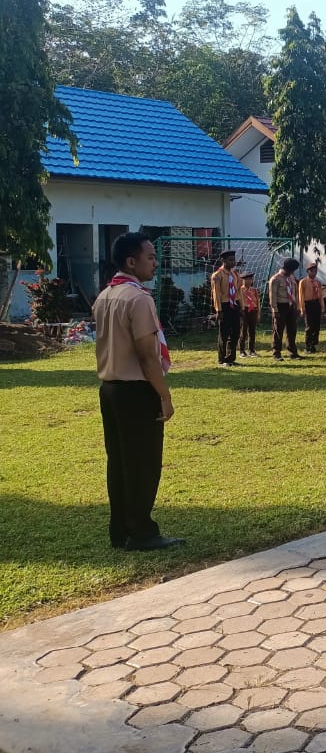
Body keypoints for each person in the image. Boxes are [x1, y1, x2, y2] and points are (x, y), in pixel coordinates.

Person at [93, 232, 183, 551]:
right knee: (143, 463)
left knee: (119, 463)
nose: (155, 264)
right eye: (150, 257)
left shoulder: (105, 296)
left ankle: (121, 530)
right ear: (131, 262)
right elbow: (147, 355)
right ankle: (142, 531)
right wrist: (165, 395)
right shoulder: (138, 298)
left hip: (110, 389)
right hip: (135, 391)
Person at [209, 249, 242, 367]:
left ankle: (231, 358)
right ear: (223, 260)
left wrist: (241, 306)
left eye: (234, 259)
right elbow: (216, 294)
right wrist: (219, 310)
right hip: (224, 305)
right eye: (230, 260)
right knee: (224, 332)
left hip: (235, 304)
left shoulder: (235, 274)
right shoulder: (217, 276)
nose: (233, 262)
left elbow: (238, 291)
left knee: (236, 332)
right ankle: (222, 359)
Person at [269, 258, 302, 360]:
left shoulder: (291, 278)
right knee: (278, 330)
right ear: (286, 269)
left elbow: (295, 292)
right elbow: (272, 296)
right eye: (291, 270)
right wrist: (275, 310)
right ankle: (276, 353)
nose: (292, 272)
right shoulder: (275, 279)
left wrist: (296, 306)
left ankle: (293, 352)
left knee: (292, 330)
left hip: (291, 306)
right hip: (280, 306)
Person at [299, 262, 325, 354]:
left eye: (315, 271)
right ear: (308, 271)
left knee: (316, 326)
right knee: (309, 326)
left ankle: (313, 345)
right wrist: (302, 309)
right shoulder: (303, 282)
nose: (314, 273)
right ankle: (307, 345)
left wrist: (322, 307)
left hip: (316, 304)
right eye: (312, 271)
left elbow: (321, 295)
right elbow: (301, 296)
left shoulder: (318, 282)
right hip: (308, 304)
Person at [238, 272, 260, 358]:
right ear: (242, 280)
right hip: (244, 310)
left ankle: (252, 350)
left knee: (252, 331)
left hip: (253, 310)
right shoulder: (240, 290)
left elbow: (257, 302)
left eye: (250, 279)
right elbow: (239, 301)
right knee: (243, 331)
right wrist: (241, 311)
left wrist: (258, 313)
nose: (249, 281)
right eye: (246, 279)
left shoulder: (254, 290)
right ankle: (242, 351)